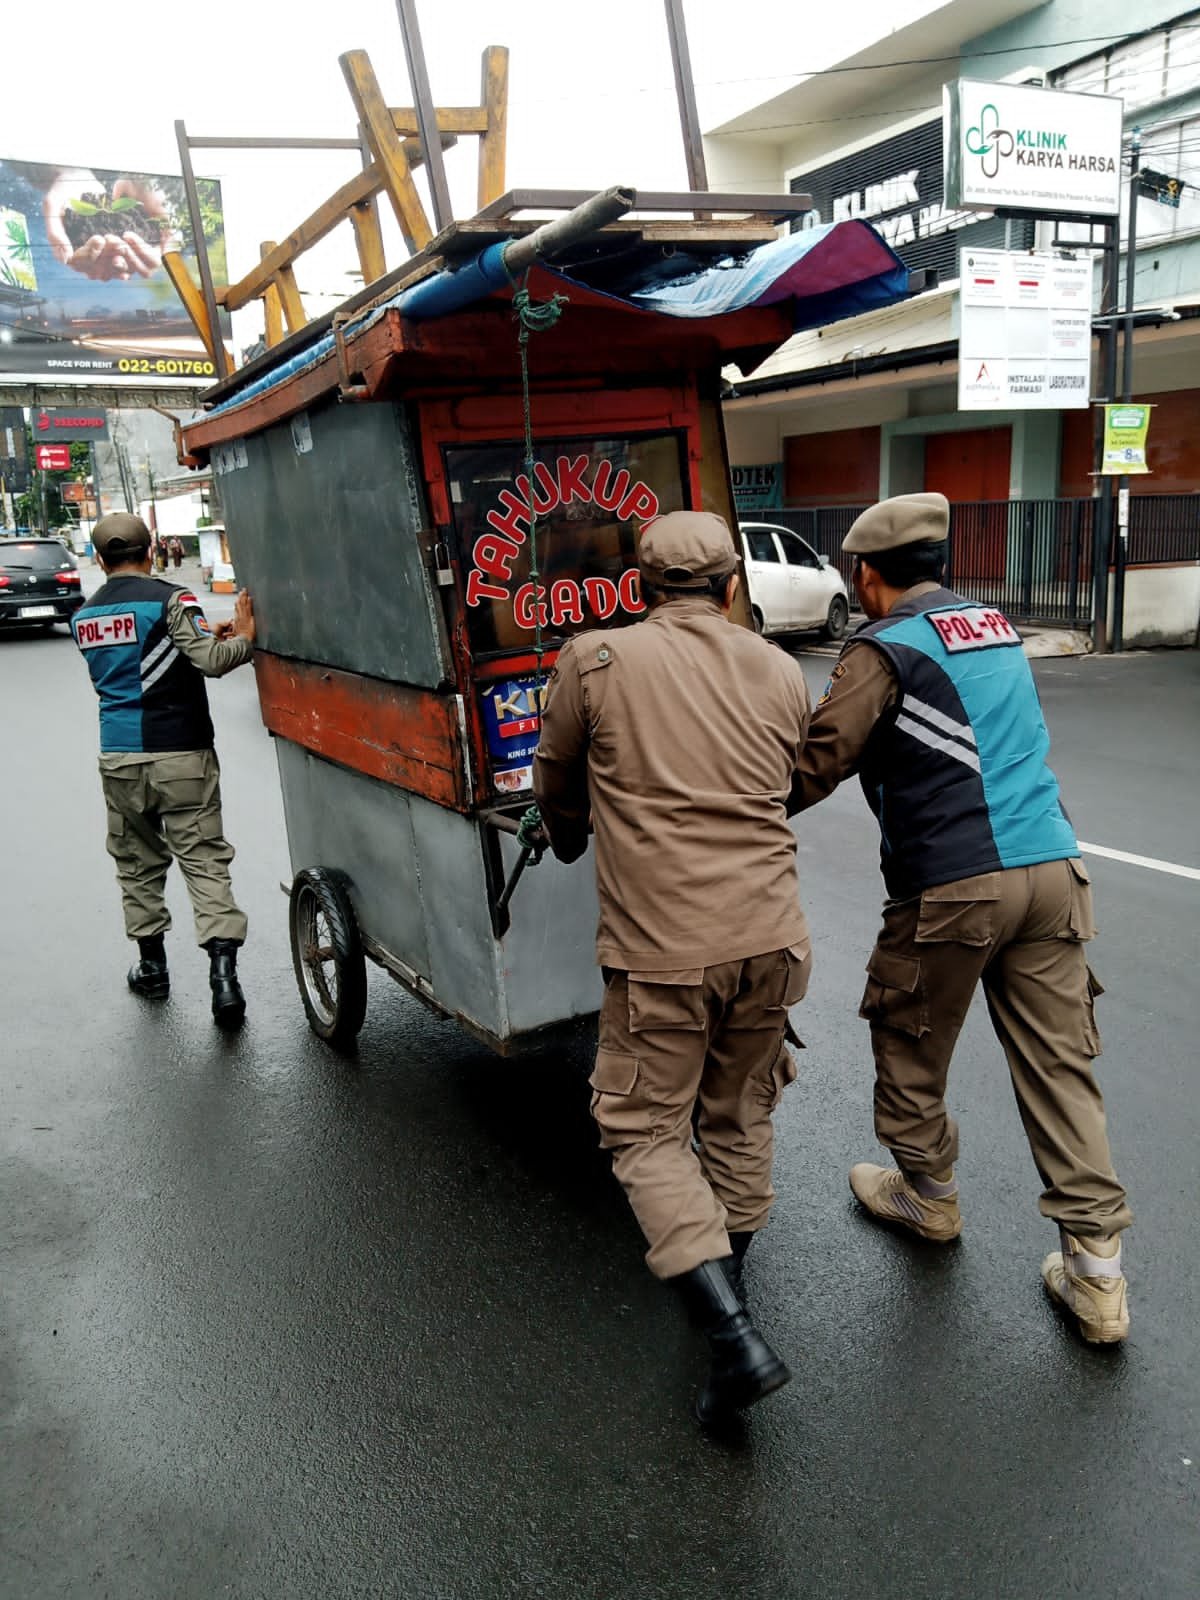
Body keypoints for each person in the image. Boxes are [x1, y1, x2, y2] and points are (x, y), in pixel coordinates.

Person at [790, 492, 1131, 1344]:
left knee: (909, 1035)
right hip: (1054, 869)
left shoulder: (883, 648)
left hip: (953, 883)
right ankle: (1098, 1278)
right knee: (1060, 1066)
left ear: (866, 574)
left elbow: (814, 765)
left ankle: (928, 1197)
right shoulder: (996, 626)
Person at [533, 510, 813, 1422]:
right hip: (774, 938)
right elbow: (783, 782)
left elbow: (556, 778)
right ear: (732, 588)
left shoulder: (595, 661)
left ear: (640, 589)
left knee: (645, 1130)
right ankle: (733, 1289)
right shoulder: (780, 668)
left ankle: (731, 1338)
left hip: (666, 952)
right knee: (738, 1113)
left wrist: (568, 836)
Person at [71, 512, 256, 1029]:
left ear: (100, 559)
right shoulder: (171, 599)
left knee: (136, 862)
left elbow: (137, 658)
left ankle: (152, 968)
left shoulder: (84, 616)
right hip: (181, 753)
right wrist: (244, 637)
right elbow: (211, 661)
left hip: (120, 756)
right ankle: (224, 982)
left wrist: (201, 636)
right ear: (151, 551)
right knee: (203, 859)